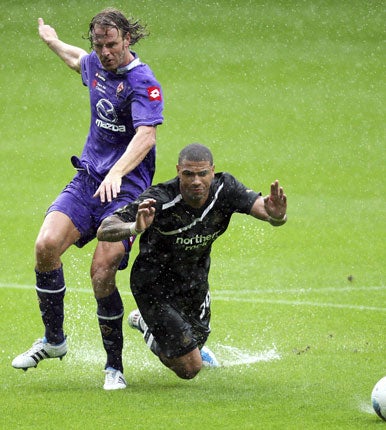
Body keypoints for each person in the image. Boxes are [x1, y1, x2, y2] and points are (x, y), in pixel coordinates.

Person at [12, 8, 164, 390]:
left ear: (128, 39)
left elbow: (147, 135)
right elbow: (76, 60)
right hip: (88, 181)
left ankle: (114, 366)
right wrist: (51, 42)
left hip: (125, 192)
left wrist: (117, 172)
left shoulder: (143, 82)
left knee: (102, 271)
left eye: (112, 44)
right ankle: (54, 340)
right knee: (45, 246)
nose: (105, 52)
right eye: (99, 44)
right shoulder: (95, 63)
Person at [97, 143, 287, 380]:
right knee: (189, 368)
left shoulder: (225, 189)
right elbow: (105, 229)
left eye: (202, 173)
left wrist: (277, 216)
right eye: (188, 174)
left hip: (194, 281)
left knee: (195, 344)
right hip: (154, 286)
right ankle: (147, 326)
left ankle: (162, 333)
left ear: (212, 171)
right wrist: (134, 227)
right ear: (178, 171)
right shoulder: (160, 199)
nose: (196, 181)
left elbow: (266, 211)